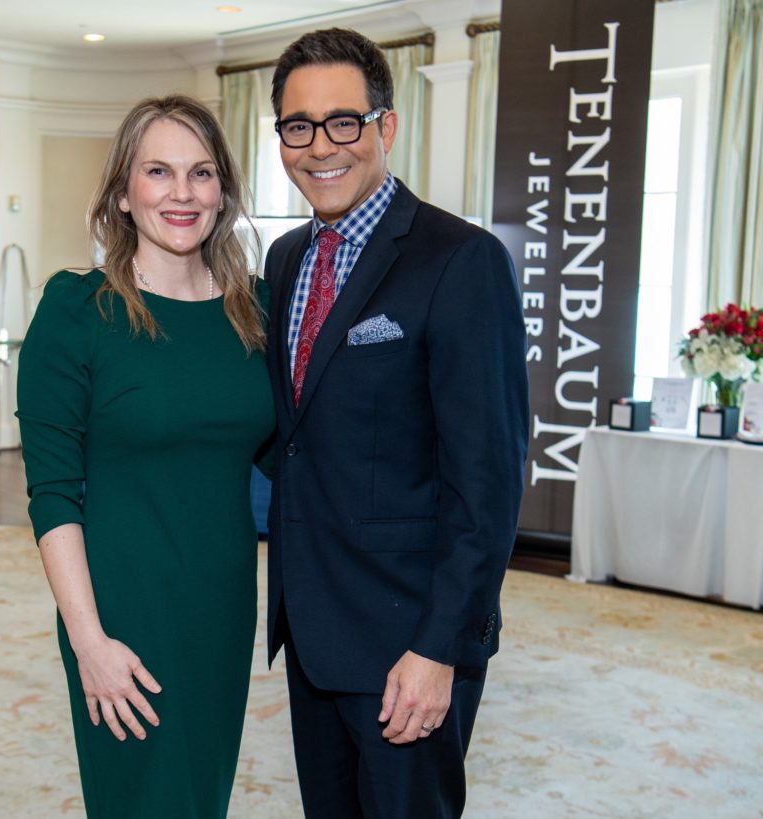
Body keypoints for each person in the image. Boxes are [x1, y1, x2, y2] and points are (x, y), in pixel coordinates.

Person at [262, 28, 529, 818]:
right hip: (311, 631)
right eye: (298, 126)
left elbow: (489, 480)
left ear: (386, 126)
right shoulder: (284, 259)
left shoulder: (460, 260)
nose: (320, 148)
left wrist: (440, 646)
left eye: (343, 122)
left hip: (408, 643)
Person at [16, 95, 274, 818]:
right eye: (158, 171)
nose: (182, 192)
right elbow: (53, 493)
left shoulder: (255, 310)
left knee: (201, 796)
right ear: (124, 194)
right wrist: (88, 639)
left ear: (222, 190)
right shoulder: (77, 311)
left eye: (201, 172)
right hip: (121, 611)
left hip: (222, 606)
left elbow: (300, 454)